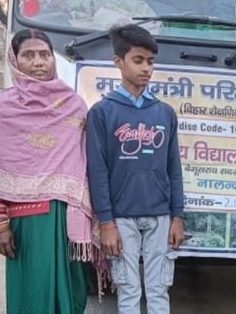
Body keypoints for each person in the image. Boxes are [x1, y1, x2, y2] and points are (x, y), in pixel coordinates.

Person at [0, 29, 99, 314]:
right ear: (15, 60)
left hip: (69, 219)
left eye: (45, 54)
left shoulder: (73, 105)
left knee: (72, 294)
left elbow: (88, 161)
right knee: (32, 296)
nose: (38, 62)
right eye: (29, 55)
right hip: (27, 223)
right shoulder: (3, 109)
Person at [86, 24, 185, 314]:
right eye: (138, 60)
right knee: (128, 292)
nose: (146, 68)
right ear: (118, 62)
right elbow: (98, 171)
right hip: (121, 218)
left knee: (159, 290)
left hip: (160, 216)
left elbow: (173, 168)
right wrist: (107, 224)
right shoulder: (102, 112)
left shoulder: (164, 113)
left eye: (150, 61)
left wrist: (177, 216)